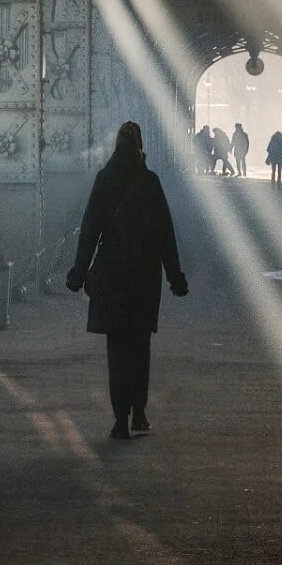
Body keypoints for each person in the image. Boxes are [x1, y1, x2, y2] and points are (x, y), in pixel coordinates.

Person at [65, 121, 188, 440]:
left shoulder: (104, 180)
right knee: (139, 346)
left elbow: (89, 230)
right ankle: (139, 413)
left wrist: (79, 272)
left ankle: (119, 418)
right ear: (140, 147)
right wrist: (176, 278)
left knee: (116, 350)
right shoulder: (149, 182)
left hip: (111, 276)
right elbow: (165, 237)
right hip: (143, 278)